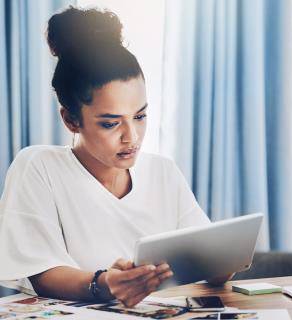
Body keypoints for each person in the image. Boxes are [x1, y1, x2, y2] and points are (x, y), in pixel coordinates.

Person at [0, 6, 231, 307]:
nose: (131, 137)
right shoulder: (39, 167)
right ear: (71, 120)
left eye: (140, 116)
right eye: (110, 123)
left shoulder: (163, 172)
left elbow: (209, 261)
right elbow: (41, 273)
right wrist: (104, 283)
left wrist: (223, 265)